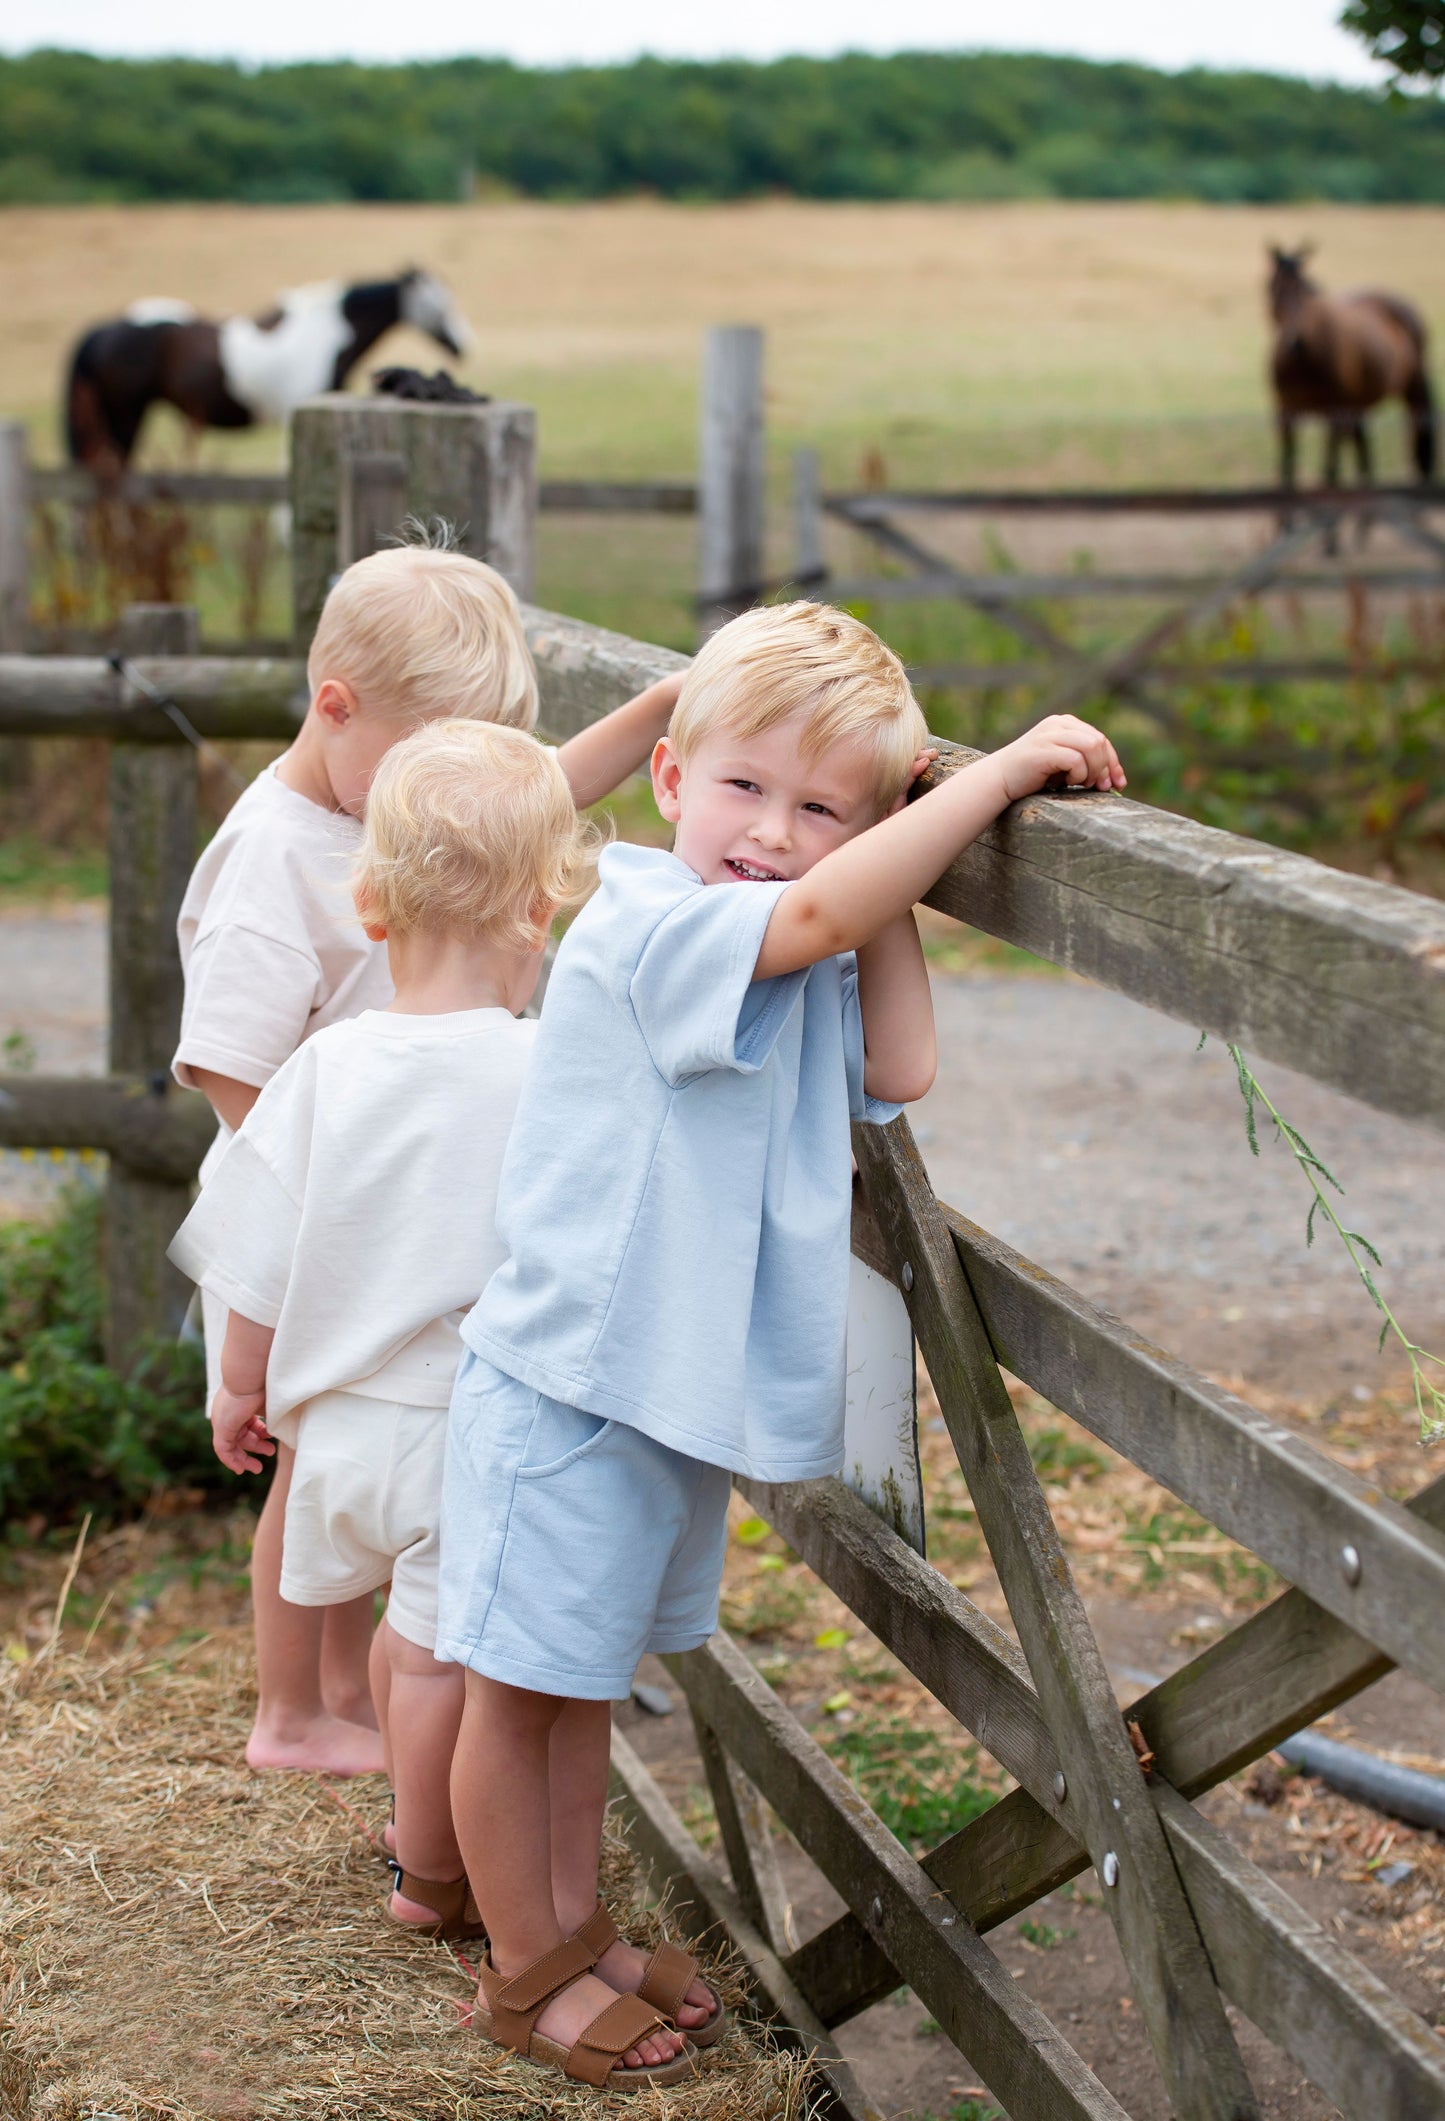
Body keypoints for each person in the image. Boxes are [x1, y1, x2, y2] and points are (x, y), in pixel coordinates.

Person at [436, 599, 1126, 2092]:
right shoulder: (655, 919)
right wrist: (986, 784)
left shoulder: (789, 939)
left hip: (654, 1392)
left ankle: (568, 1926)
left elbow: (901, 1063)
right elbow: (810, 914)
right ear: (671, 779)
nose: (772, 831)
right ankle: (523, 1969)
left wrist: (902, 841)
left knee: (579, 1682)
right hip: (565, 1385)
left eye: (823, 808)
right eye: (744, 787)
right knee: (520, 1688)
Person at [171, 539, 682, 1777]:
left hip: (381, 1195)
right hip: (308, 1218)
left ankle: (351, 1693)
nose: (444, 789)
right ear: (335, 709)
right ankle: (290, 1712)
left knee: (364, 1470)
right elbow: (232, 1069)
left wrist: (671, 705)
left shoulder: (394, 814)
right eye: (427, 756)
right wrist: (349, 1175)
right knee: (310, 1466)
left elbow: (525, 798)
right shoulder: (270, 864)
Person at [171, 718, 595, 1936]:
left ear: (369, 906)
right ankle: (432, 1872)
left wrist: (239, 1388)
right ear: (538, 913)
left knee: (386, 1648)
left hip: (340, 1439)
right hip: (459, 1424)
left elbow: (257, 1248)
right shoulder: (539, 1069)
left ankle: (415, 1840)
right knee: (437, 1662)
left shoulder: (324, 1067)